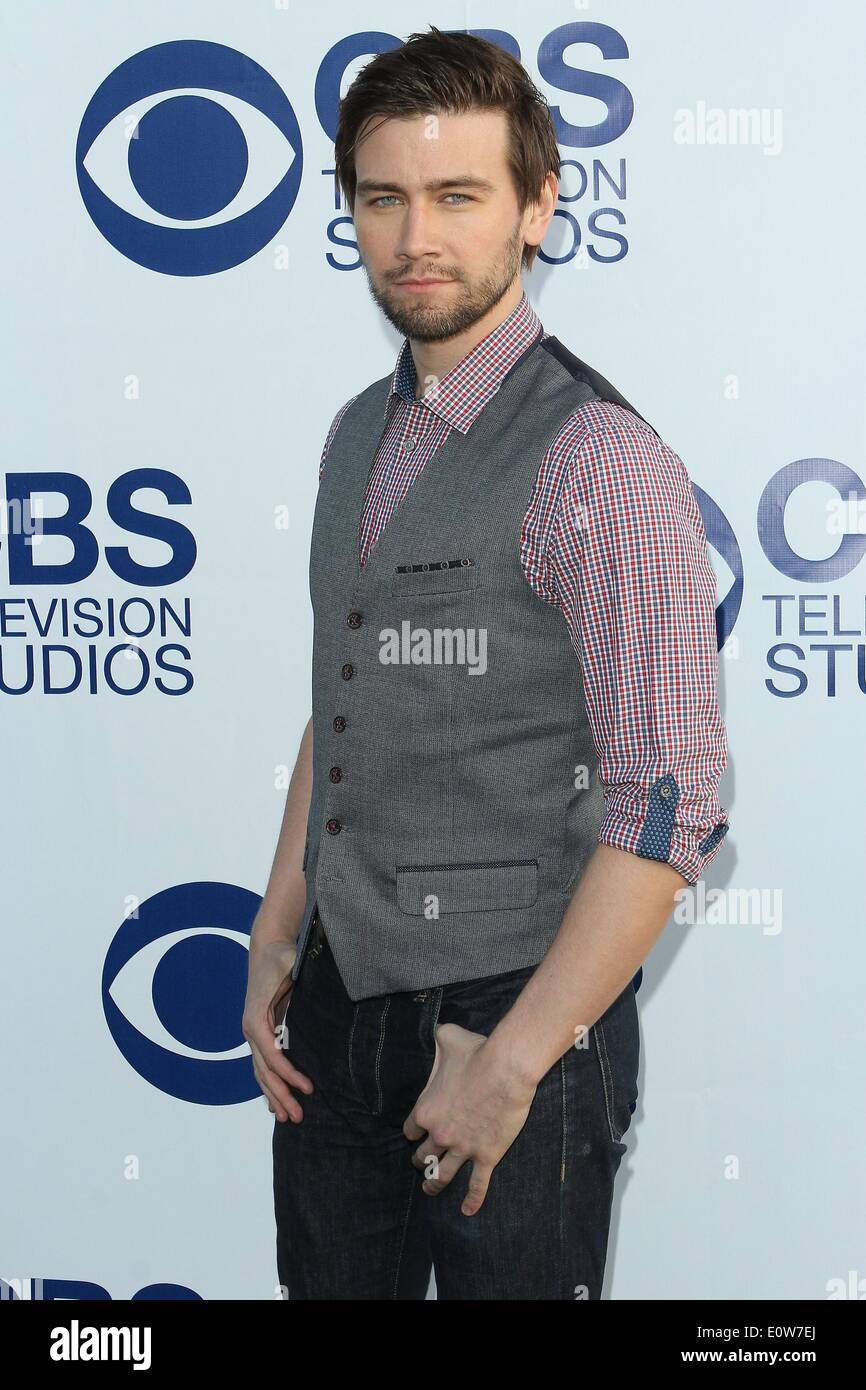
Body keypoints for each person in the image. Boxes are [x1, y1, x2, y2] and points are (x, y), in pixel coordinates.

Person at [243, 25, 731, 1300]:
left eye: (458, 196)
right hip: (340, 1021)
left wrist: (513, 1059)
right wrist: (277, 925)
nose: (416, 237)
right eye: (383, 198)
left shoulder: (599, 461)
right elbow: (337, 701)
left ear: (536, 207)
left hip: (515, 1025)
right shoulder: (356, 432)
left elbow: (668, 801)